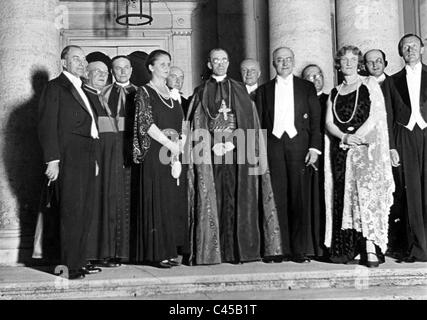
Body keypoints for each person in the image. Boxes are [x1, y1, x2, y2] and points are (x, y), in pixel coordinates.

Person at [187, 48, 282, 265]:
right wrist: (212, 145)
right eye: (215, 60)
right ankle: (216, 252)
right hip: (211, 154)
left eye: (224, 59)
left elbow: (250, 123)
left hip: (238, 151)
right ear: (209, 64)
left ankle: (240, 252)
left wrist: (233, 142)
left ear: (228, 62)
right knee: (216, 197)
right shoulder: (200, 91)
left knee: (238, 197)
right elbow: (196, 123)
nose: (220, 63)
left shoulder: (239, 89)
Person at [324, 45, 394, 267]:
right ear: (338, 63)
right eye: (344, 60)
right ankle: (349, 249)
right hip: (341, 151)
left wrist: (357, 138)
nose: (348, 64)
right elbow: (328, 122)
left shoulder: (369, 83)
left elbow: (376, 115)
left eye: (352, 60)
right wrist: (344, 138)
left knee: (365, 197)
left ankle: (371, 248)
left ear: (358, 63)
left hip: (365, 149)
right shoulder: (334, 92)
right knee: (344, 199)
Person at [38, 45, 100, 279]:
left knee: (84, 211)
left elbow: (91, 127)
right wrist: (52, 160)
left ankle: (79, 261)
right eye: (76, 58)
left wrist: (93, 158)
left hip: (85, 155)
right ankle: (66, 266)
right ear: (63, 62)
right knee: (71, 211)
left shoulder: (82, 88)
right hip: (67, 156)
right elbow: (46, 126)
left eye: (83, 59)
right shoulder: (55, 87)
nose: (82, 63)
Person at [256, 47, 323, 263]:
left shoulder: (306, 87)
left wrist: (314, 148)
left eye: (288, 59)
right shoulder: (264, 90)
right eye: (279, 60)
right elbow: (258, 123)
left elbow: (315, 120)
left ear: (293, 62)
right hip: (273, 146)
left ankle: (298, 249)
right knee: (276, 197)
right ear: (273, 63)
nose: (284, 63)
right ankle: (277, 248)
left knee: (299, 197)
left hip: (300, 146)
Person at [133, 49, 189, 268]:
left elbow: (181, 123)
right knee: (158, 199)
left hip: (173, 152)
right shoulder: (144, 92)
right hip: (155, 153)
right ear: (151, 67)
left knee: (172, 200)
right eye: (162, 64)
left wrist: (180, 145)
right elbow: (146, 124)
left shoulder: (172, 93)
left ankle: (171, 249)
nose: (167, 67)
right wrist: (170, 145)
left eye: (169, 63)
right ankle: (158, 253)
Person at [88, 55, 137, 267]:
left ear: (132, 70)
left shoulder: (141, 93)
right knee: (110, 200)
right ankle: (109, 252)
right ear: (112, 71)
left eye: (126, 67)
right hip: (109, 154)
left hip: (133, 154)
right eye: (118, 68)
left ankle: (130, 252)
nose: (123, 72)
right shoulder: (102, 93)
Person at [383, 34, 427, 262]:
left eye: (414, 46)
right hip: (404, 136)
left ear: (422, 48)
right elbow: (388, 117)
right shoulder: (392, 81)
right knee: (411, 193)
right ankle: (417, 248)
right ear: (400, 52)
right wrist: (391, 147)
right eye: (405, 47)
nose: (410, 49)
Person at [364, 49, 403, 257]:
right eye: (371, 62)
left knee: (395, 195)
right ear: (365, 66)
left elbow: (399, 119)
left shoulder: (396, 83)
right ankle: (375, 242)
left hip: (393, 148)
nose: (375, 65)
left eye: (379, 61)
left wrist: (393, 147)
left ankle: (394, 243)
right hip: (370, 149)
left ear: (385, 62)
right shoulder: (362, 86)